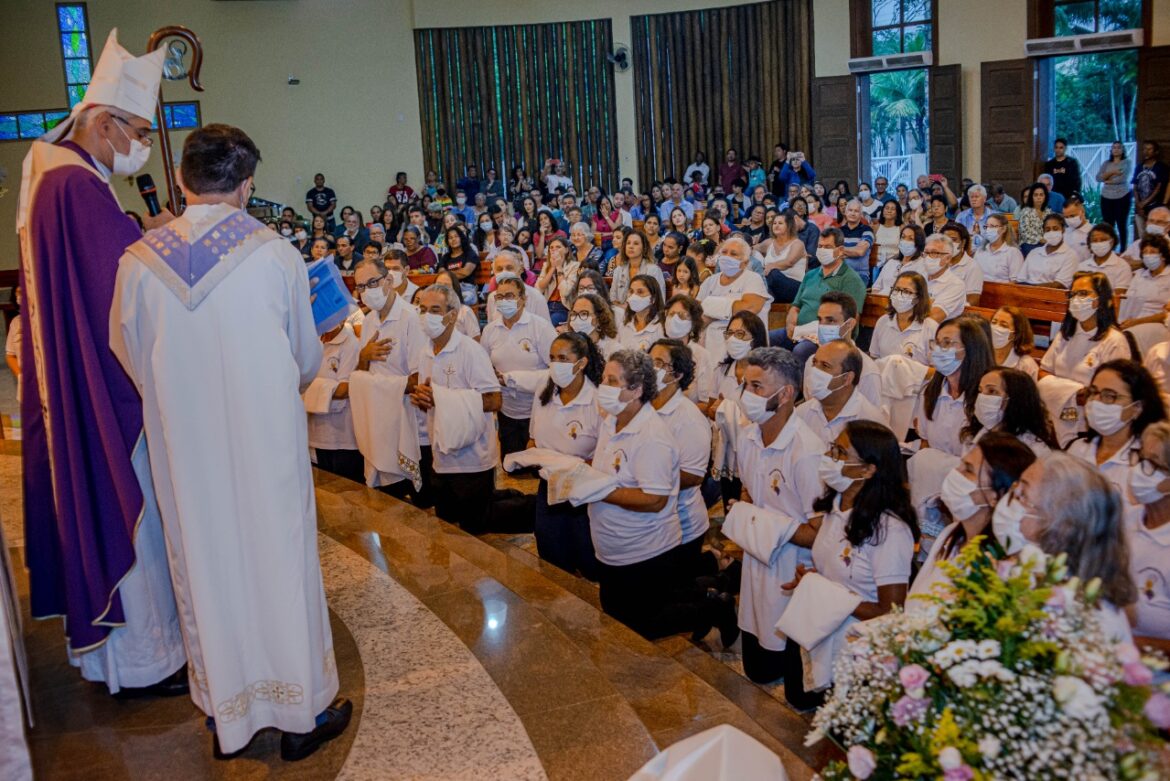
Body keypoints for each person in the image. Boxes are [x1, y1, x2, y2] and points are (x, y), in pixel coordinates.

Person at [111, 123, 350, 758]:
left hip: (185, 453)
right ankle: (299, 716)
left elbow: (128, 353)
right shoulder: (275, 254)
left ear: (183, 182)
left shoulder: (138, 262)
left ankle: (228, 717)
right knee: (279, 563)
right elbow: (304, 357)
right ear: (245, 187)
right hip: (265, 444)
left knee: (205, 565)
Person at [16, 29, 188, 701]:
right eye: (138, 130)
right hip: (104, 388)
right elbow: (113, 290)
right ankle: (143, 662)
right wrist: (162, 241)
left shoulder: (62, 171)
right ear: (104, 121)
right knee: (132, 510)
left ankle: (127, 659)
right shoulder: (74, 187)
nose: (140, 144)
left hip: (84, 375)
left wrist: (139, 238)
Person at [588, 350, 736, 642]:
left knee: (645, 621)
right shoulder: (611, 421)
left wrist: (600, 491)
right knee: (617, 609)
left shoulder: (652, 434)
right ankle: (708, 595)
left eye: (612, 380)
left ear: (636, 390)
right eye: (604, 378)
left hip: (644, 544)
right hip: (613, 542)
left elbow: (655, 499)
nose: (603, 385)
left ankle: (714, 608)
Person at [783, 421, 918, 709]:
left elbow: (892, 612)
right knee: (797, 698)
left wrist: (831, 597)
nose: (830, 458)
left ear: (869, 470)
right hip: (822, 626)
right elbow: (839, 569)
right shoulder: (836, 508)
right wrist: (812, 581)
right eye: (832, 449)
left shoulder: (889, 530)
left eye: (841, 453)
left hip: (855, 647)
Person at [732, 347, 824, 684]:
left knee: (781, 671)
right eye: (746, 385)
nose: (747, 395)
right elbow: (749, 491)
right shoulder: (747, 436)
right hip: (757, 557)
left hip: (791, 569)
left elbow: (820, 531)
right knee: (756, 670)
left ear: (785, 394)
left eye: (757, 387)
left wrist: (766, 525)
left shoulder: (806, 452)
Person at [410, 284, 504, 533]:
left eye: (435, 310)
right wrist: (422, 399)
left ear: (452, 315)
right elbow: (428, 400)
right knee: (447, 526)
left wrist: (441, 400)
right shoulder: (425, 352)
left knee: (475, 529)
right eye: (422, 309)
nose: (426, 315)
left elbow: (494, 399)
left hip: (472, 458)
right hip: (440, 455)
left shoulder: (470, 351)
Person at [1013, 453, 1136, 642]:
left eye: (1024, 495)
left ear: (1063, 522)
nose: (1013, 499)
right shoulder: (1035, 570)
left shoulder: (1094, 620)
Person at [910, 432, 1036, 605]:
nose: (955, 473)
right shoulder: (950, 534)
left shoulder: (1000, 563)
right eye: (960, 465)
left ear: (996, 495)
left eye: (968, 470)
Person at [528, 332, 604, 579]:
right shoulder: (544, 391)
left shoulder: (596, 400)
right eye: (551, 358)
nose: (555, 364)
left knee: (586, 556)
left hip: (582, 492)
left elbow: (604, 453)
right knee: (551, 554)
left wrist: (572, 467)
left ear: (581, 363)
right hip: (548, 487)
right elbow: (533, 437)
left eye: (562, 358)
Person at [649, 340, 713, 579]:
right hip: (650, 522)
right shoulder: (641, 405)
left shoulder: (688, 417)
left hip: (681, 523)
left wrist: (642, 477)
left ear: (676, 374)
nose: (650, 367)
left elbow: (693, 475)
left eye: (658, 363)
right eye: (649, 360)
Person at [1067, 359, 1166, 509]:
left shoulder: (1149, 463)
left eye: (1109, 396)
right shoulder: (1077, 449)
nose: (1096, 402)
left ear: (1137, 407)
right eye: (1094, 392)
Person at [480, 276, 557, 459]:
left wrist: (513, 378)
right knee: (512, 466)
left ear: (523, 299)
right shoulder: (490, 331)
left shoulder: (541, 327)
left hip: (538, 409)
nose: (504, 301)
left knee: (537, 467)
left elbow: (556, 370)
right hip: (507, 411)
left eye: (510, 296)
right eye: (500, 297)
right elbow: (483, 366)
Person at [774, 227, 866, 353]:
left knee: (801, 350)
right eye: (820, 246)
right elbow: (795, 307)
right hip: (798, 332)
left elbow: (851, 319)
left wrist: (818, 333)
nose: (822, 250)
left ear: (840, 250)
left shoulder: (851, 280)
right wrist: (790, 325)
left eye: (827, 247)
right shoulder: (810, 275)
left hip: (825, 337)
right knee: (766, 339)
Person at [913, 317, 995, 458]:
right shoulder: (930, 391)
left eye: (947, 343)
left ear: (971, 348)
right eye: (937, 343)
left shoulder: (986, 398)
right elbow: (925, 442)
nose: (939, 350)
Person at [1040, 271, 1131, 385]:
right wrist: (1070, 393)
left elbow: (1114, 386)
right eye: (1072, 294)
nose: (1076, 299)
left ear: (1102, 299)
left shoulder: (1115, 341)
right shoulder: (1066, 334)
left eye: (1083, 293)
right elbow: (1044, 370)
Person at [1126, 420, 1170, 654]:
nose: (1139, 470)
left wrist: (1130, 646)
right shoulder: (1126, 521)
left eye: (1152, 463)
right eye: (1140, 458)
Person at [795, 340, 886, 446]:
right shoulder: (801, 414)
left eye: (825, 366)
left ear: (847, 378)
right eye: (814, 363)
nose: (815, 371)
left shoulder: (870, 424)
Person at [697, 236, 772, 362]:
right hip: (710, 345)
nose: (727, 257)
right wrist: (732, 306)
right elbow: (697, 316)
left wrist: (710, 310)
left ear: (745, 262)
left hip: (742, 345)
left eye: (733, 254)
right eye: (724, 252)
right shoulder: (710, 281)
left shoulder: (753, 278)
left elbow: (749, 308)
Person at [801, 291, 882, 406]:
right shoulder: (811, 362)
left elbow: (872, 418)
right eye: (820, 320)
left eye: (831, 321)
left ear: (850, 324)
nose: (822, 326)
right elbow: (810, 403)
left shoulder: (867, 371)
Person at [970, 367, 1058, 456]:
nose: (982, 397)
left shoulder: (1032, 449)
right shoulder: (981, 433)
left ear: (1014, 398)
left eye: (992, 391)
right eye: (980, 391)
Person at [868, 271, 936, 364]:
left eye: (907, 291)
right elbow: (874, 357)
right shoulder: (883, 321)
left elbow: (936, 370)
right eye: (896, 289)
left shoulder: (930, 328)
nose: (899, 295)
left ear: (918, 298)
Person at [663, 294, 716, 403]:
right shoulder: (657, 350)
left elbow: (705, 403)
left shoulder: (701, 356)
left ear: (693, 323)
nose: (675, 319)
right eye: (671, 314)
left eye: (682, 316)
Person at [1118, 234, 1170, 327]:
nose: (1148, 256)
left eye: (1153, 252)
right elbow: (1129, 302)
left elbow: (1166, 314)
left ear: (1163, 256)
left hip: (1157, 323)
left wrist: (1137, 322)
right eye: (1145, 252)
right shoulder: (1139, 275)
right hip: (1132, 320)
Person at [486, 251, 551, 322]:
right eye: (499, 269)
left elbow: (546, 328)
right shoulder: (492, 298)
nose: (504, 272)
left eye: (509, 268)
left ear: (520, 270)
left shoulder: (536, 297)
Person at [1018, 213, 1079, 288]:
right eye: (1047, 229)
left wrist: (1032, 289)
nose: (1051, 232)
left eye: (1055, 228)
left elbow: (1059, 285)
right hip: (1026, 294)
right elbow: (1020, 279)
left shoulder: (1070, 255)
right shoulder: (1034, 253)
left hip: (1051, 296)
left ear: (1063, 230)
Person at [759, 211, 807, 304]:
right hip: (773, 287)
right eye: (774, 223)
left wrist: (770, 266)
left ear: (789, 226)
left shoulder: (797, 243)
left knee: (773, 273)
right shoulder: (769, 242)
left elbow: (789, 262)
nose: (776, 225)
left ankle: (765, 297)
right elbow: (752, 249)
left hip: (795, 287)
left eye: (780, 223)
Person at [610, 229, 665, 306]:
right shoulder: (618, 270)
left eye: (636, 243)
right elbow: (612, 298)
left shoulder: (654, 270)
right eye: (628, 243)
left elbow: (660, 300)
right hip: (621, 312)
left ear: (644, 248)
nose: (631, 246)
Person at [921, 234, 968, 322]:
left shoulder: (955, 285)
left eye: (934, 253)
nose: (928, 257)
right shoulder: (919, 276)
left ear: (948, 258)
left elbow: (932, 318)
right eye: (926, 252)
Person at [1077, 222, 1133, 294]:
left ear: (1112, 242)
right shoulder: (1082, 267)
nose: (1098, 243)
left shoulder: (1122, 266)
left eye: (1103, 240)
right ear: (1090, 244)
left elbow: (1118, 296)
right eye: (1094, 240)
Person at [870, 224, 925, 295]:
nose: (905, 241)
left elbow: (919, 293)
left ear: (919, 243)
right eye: (903, 237)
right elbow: (876, 287)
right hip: (881, 301)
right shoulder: (891, 262)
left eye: (910, 238)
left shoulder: (922, 265)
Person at [617, 275, 666, 352]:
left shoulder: (662, 326)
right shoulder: (624, 324)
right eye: (631, 291)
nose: (633, 296)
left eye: (640, 292)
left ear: (653, 298)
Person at [988, 306, 1040, 379]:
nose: (996, 327)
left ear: (1015, 334)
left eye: (1003, 325)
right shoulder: (980, 354)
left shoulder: (1026, 365)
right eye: (994, 322)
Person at [569, 291, 622, 358]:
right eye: (574, 314)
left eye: (584, 314)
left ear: (599, 318)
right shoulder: (569, 347)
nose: (577, 319)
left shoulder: (613, 350)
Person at [1132, 141, 1169, 236]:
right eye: (1144, 149)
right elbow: (1135, 186)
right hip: (1139, 207)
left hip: (1155, 206)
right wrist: (1138, 204)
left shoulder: (1161, 167)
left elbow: (1158, 188)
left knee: (1156, 234)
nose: (1146, 151)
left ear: (1156, 152)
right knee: (1142, 234)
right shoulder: (1139, 167)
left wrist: (1144, 203)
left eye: (1149, 149)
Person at [837, 199, 874, 284]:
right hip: (839, 273)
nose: (853, 213)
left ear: (861, 214)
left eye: (856, 211)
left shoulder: (867, 230)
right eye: (850, 210)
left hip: (859, 275)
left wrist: (841, 250)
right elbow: (832, 253)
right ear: (845, 212)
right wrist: (853, 250)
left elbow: (860, 251)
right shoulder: (839, 231)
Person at [1015, 183, 1053, 254]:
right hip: (1029, 243)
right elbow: (1025, 234)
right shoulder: (1026, 211)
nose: (1039, 197)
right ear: (1031, 197)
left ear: (1045, 196)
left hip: (1046, 242)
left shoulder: (1048, 211)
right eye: (1036, 195)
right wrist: (1040, 239)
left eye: (1041, 195)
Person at [955, 184, 993, 249]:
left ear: (984, 198)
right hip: (966, 251)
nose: (973, 199)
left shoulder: (995, 216)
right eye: (971, 197)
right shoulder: (961, 216)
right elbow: (956, 236)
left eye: (976, 197)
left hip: (989, 252)